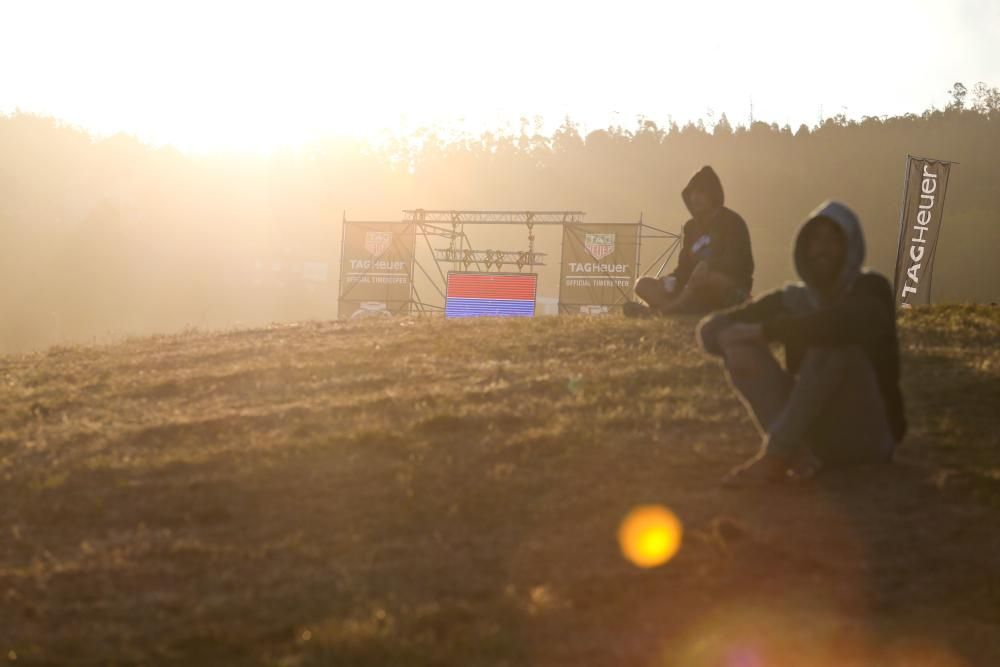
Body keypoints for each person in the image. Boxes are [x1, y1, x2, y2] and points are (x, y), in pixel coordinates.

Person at [696, 200, 906, 484]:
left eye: (834, 239)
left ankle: (776, 454)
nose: (823, 248)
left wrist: (764, 331)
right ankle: (797, 455)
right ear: (803, 247)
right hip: (812, 434)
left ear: (851, 247)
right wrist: (725, 333)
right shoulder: (793, 298)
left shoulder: (871, 290)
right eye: (816, 239)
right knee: (739, 349)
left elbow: (844, 322)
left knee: (831, 343)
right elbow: (713, 328)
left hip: (867, 436)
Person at [627, 166, 754, 317]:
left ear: (712, 195)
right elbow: (684, 267)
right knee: (642, 284)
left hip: (725, 284)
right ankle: (680, 310)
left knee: (705, 277)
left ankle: (664, 312)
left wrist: (708, 266)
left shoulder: (732, 221)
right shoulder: (691, 227)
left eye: (701, 192)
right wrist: (670, 280)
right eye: (692, 193)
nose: (695, 197)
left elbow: (739, 262)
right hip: (690, 288)